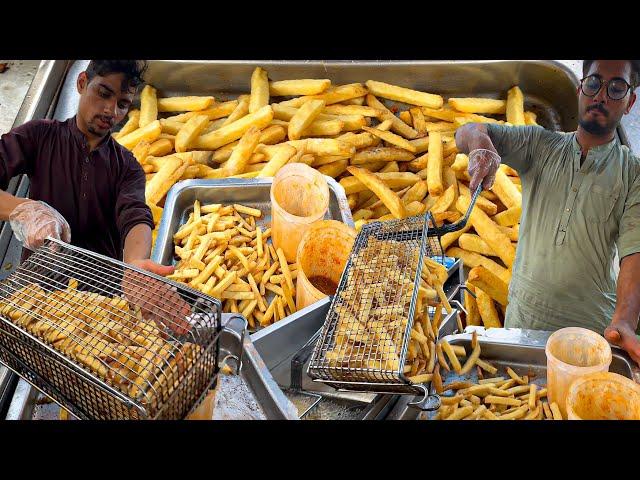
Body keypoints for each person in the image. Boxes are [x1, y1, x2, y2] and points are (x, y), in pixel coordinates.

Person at [455, 60, 640, 364]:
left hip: (590, 337)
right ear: (581, 88)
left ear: (630, 101)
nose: (601, 96)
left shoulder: (633, 174)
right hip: (522, 328)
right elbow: (469, 130)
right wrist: (479, 146)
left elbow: (635, 253)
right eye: (594, 83)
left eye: (616, 87)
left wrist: (625, 321)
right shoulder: (539, 144)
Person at [0, 60, 189, 333]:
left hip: (102, 308)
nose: (111, 110)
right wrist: (23, 210)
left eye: (123, 103)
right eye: (103, 93)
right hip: (39, 296)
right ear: (81, 83)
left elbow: (135, 216)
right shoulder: (39, 136)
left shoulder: (127, 167)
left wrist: (135, 264)